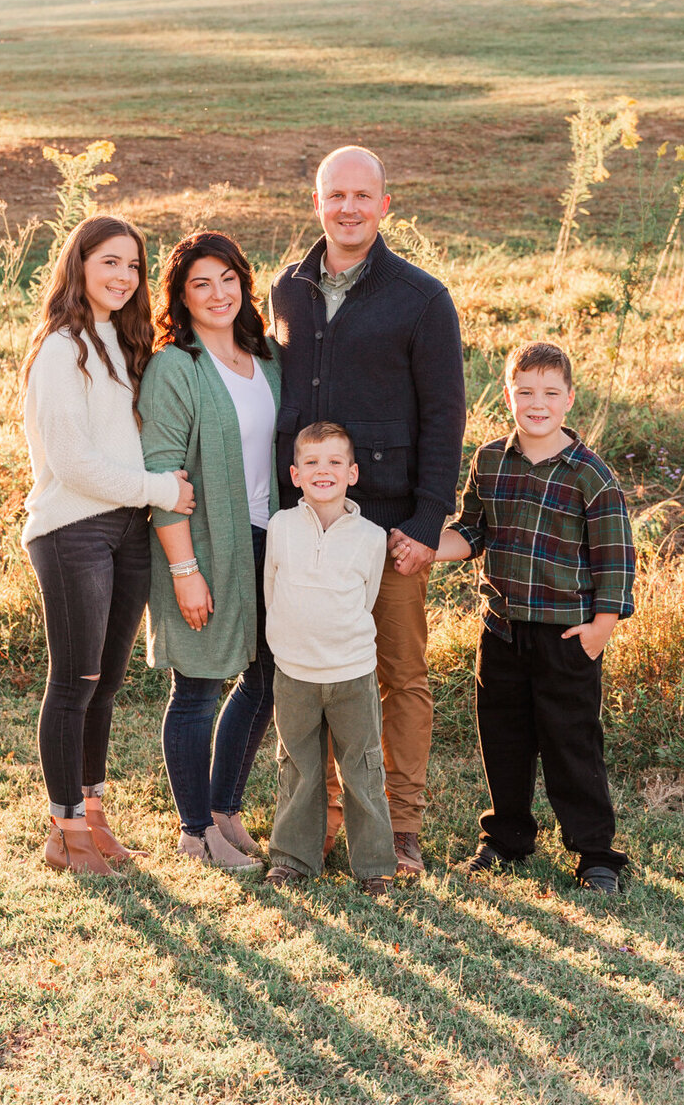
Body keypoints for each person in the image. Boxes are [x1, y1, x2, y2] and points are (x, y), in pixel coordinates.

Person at [269, 145, 466, 877]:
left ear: (386, 205)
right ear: (317, 203)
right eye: (334, 195)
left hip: (387, 532)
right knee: (311, 669)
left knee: (399, 676)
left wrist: (423, 525)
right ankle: (317, 825)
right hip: (306, 525)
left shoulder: (421, 298)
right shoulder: (286, 289)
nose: (347, 208)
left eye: (362, 195)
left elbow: (445, 417)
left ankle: (401, 828)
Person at [398, 340, 635, 893]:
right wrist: (426, 544)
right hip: (501, 629)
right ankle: (507, 838)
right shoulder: (489, 460)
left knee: (570, 742)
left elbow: (615, 561)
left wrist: (601, 628)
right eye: (525, 391)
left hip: (566, 634)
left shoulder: (590, 475)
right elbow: (473, 531)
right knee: (502, 738)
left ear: (569, 399)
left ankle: (596, 852)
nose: (537, 403)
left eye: (550, 393)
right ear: (508, 393)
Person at [21, 215, 195, 876]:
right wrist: (159, 489)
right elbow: (71, 463)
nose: (124, 277)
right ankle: (62, 832)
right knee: (75, 682)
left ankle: (93, 818)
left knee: (107, 683)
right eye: (110, 263)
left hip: (126, 529)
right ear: (79, 265)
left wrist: (147, 498)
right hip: (73, 529)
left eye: (134, 267)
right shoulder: (62, 350)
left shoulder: (121, 343)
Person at [140, 230, 282, 872]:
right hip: (200, 544)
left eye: (228, 279)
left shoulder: (266, 356)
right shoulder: (177, 365)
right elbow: (161, 470)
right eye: (201, 283)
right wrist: (184, 571)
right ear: (181, 295)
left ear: (243, 284)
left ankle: (224, 809)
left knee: (266, 677)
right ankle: (194, 831)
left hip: (268, 540)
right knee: (197, 684)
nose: (218, 293)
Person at [263, 423, 399, 897]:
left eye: (335, 462)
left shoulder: (370, 536)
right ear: (295, 474)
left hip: (352, 673)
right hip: (294, 673)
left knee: (362, 768)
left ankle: (376, 865)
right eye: (313, 463)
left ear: (353, 472)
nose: (324, 471)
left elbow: (368, 598)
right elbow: (271, 592)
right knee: (298, 767)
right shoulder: (280, 527)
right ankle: (292, 858)